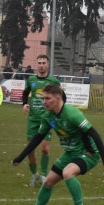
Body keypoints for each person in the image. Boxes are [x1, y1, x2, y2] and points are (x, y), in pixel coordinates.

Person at [13, 83, 104, 205]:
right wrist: (20, 157)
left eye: (48, 98)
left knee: (67, 172)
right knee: (47, 182)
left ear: (58, 98)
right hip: (70, 153)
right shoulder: (48, 116)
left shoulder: (72, 113)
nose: (44, 102)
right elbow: (37, 138)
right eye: (43, 98)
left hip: (88, 153)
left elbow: (94, 133)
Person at [23, 54, 61, 186]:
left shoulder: (54, 82)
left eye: (44, 62)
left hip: (47, 119)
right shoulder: (31, 79)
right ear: (36, 64)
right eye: (39, 62)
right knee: (30, 149)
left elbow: (61, 98)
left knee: (45, 148)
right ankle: (35, 174)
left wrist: (56, 114)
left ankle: (44, 175)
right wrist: (25, 103)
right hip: (33, 119)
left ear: (48, 64)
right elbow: (25, 92)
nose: (41, 65)